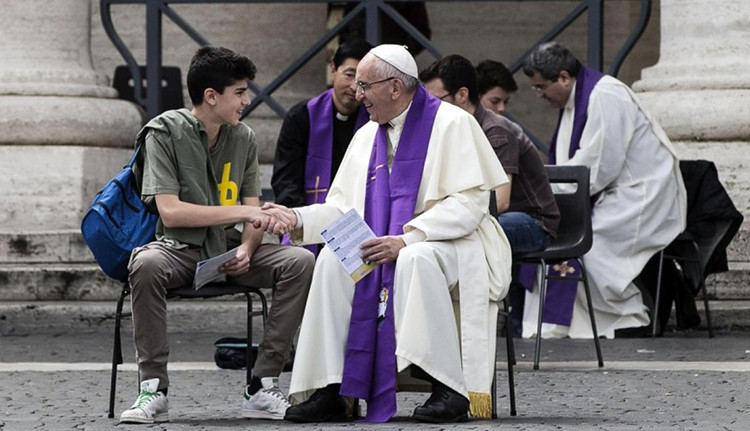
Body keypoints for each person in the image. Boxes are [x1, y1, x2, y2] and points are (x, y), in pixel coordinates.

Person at [262, 44, 512, 423]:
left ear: (395, 87)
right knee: (332, 259)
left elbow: (469, 206)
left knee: (415, 258)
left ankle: (448, 389)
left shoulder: (453, 124)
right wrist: (295, 218)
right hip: (382, 242)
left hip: (449, 242)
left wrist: (408, 238)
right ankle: (332, 390)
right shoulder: (366, 134)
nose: (356, 94)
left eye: (365, 85)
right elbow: (343, 211)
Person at [119, 46, 314, 424]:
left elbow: (255, 213)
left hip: (229, 251)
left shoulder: (244, 138)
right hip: (180, 250)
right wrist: (244, 213)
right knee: (145, 262)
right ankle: (153, 388)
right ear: (212, 96)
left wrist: (246, 246)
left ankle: (262, 383)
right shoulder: (163, 132)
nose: (247, 100)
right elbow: (170, 211)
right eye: (239, 92)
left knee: (300, 261)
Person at [521, 41, 687, 339]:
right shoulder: (574, 101)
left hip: (641, 195)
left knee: (589, 247)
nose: (539, 95)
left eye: (541, 86)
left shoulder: (607, 95)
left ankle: (627, 317)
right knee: (563, 239)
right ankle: (566, 322)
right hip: (611, 193)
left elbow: (600, 164)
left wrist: (552, 194)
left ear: (563, 77)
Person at [420, 54, 559, 336]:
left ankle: (476, 321)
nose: (428, 109)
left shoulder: (496, 129)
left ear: (461, 95)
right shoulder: (449, 129)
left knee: (468, 237)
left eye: (435, 100)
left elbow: (501, 200)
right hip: (490, 216)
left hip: (532, 221)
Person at [272, 39, 372, 211]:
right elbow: (286, 180)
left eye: (363, 81)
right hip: (308, 215)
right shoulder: (301, 117)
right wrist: (304, 220)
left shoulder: (374, 119)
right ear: (333, 70)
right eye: (349, 75)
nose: (355, 87)